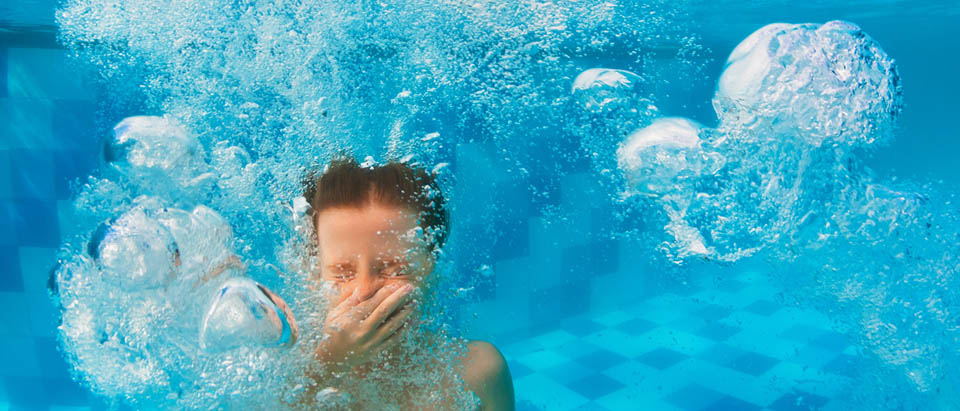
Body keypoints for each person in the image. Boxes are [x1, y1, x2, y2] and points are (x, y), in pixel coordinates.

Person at [303, 158, 515, 410]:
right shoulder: (288, 374)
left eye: (396, 270)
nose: (363, 291)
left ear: (432, 268)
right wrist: (330, 362)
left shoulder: (477, 372)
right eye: (342, 273)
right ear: (315, 276)